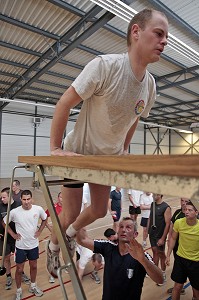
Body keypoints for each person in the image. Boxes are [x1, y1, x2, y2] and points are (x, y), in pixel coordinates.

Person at [47, 8, 169, 278]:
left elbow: (135, 117)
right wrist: (56, 148)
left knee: (100, 209)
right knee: (70, 213)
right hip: (78, 151)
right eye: (159, 33)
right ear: (136, 32)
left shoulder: (149, 85)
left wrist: (124, 149)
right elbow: (64, 103)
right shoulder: (105, 66)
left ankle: (67, 235)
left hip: (105, 157)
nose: (164, 41)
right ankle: (54, 246)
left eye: (166, 36)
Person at [77, 217, 163, 300]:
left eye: (128, 227)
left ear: (135, 234)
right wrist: (78, 215)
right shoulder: (108, 246)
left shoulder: (142, 256)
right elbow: (82, 240)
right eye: (121, 227)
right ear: (117, 232)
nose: (123, 230)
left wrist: (143, 261)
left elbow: (160, 280)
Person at [3, 190, 47, 300]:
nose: (26, 202)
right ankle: (18, 290)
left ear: (31, 199)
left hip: (33, 245)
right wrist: (12, 234)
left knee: (34, 266)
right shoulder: (15, 212)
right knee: (19, 270)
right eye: (24, 199)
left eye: (28, 199)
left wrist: (40, 231)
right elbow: (4, 222)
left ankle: (33, 286)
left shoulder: (38, 209)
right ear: (21, 200)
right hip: (20, 246)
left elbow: (45, 219)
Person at [166, 201, 199, 300]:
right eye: (185, 210)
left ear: (196, 212)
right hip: (181, 259)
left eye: (190, 210)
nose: (186, 212)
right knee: (177, 286)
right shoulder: (179, 222)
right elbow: (173, 238)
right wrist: (168, 255)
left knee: (196, 291)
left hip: (196, 262)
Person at [0, 187, 30, 290]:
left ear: (10, 196)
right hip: (3, 237)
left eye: (4, 197)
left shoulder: (18, 205)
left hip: (18, 237)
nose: (2, 199)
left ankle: (21, 272)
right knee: (7, 257)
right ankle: (8, 276)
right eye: (1, 197)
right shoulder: (0, 207)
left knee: (20, 258)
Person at [166, 197, 190, 295]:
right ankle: (180, 287)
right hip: (177, 246)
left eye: (186, 201)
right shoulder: (177, 213)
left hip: (189, 249)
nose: (184, 203)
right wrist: (169, 238)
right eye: (182, 201)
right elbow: (171, 226)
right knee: (179, 267)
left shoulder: (195, 215)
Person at [148, 194, 171, 285]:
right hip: (152, 234)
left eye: (156, 194)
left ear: (161, 195)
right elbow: (150, 218)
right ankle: (156, 271)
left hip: (160, 235)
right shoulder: (152, 204)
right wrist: (147, 230)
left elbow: (168, 224)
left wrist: (163, 238)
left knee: (161, 253)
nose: (154, 195)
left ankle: (163, 273)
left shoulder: (166, 207)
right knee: (154, 251)